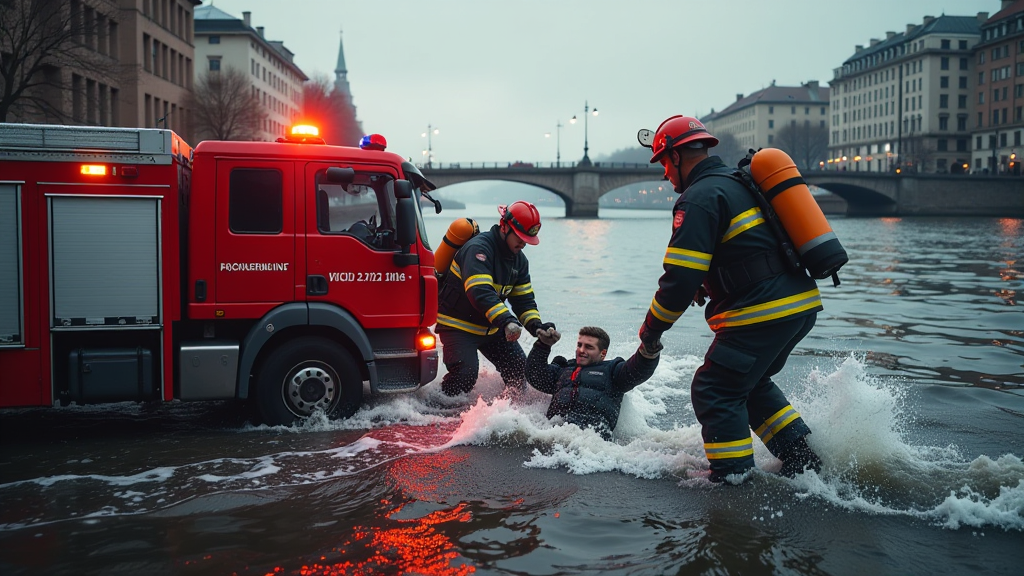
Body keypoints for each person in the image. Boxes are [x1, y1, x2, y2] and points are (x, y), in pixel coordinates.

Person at [636, 115, 824, 483]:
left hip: (762, 313)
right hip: (797, 306)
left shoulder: (699, 198)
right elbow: (750, 249)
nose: (664, 176)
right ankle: (803, 462)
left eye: (663, 164)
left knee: (715, 388)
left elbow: (678, 280)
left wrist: (650, 330)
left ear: (677, 156)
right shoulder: (739, 182)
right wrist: (712, 282)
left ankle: (732, 482)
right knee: (748, 385)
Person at [436, 201, 556, 396]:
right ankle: (439, 408)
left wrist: (537, 327)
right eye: (519, 237)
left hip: (493, 328)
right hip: (458, 326)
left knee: (519, 371)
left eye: (527, 239)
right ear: (504, 226)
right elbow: (480, 291)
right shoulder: (479, 250)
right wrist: (507, 321)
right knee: (465, 375)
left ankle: (509, 410)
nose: (523, 243)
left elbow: (523, 300)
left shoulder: (519, 260)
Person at [525, 326, 660, 440]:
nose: (581, 350)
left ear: (603, 353)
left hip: (592, 444)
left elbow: (637, 370)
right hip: (552, 436)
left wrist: (648, 350)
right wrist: (543, 345)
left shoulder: (613, 371)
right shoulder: (562, 369)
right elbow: (535, 376)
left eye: (589, 347)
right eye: (579, 345)